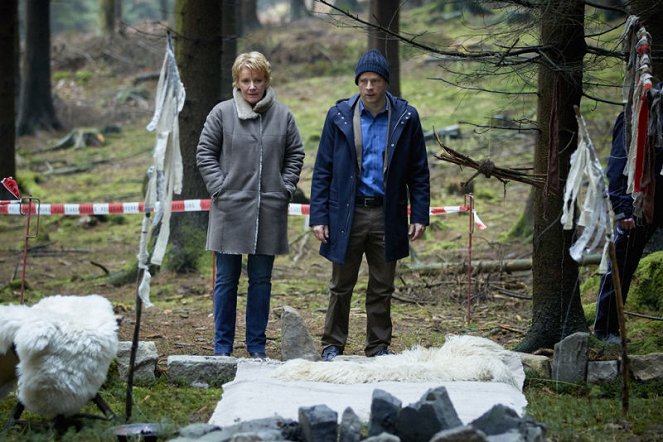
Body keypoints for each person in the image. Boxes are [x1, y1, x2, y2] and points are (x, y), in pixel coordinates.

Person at [309, 49, 430, 361]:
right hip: (345, 214)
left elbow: (419, 170)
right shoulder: (338, 116)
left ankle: (378, 347)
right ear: (357, 83)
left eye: (375, 80)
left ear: (385, 82)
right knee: (340, 285)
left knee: (382, 286)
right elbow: (322, 169)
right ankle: (332, 344)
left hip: (386, 213)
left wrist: (419, 213)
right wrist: (318, 216)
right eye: (363, 81)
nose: (369, 87)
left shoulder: (405, 117)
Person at [197, 51, 304, 358]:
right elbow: (204, 153)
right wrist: (220, 188)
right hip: (229, 210)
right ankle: (222, 349)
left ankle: (256, 347)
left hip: (268, 211)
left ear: (266, 80)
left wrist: (284, 188)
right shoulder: (221, 113)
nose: (252, 86)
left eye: (258, 80)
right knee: (226, 281)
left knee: (260, 281)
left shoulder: (283, 116)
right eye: (246, 81)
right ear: (237, 82)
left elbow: (296, 153)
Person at [594, 108, 663, 344]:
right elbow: (617, 164)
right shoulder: (635, 115)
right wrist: (623, 207)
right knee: (621, 263)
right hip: (639, 203)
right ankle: (606, 330)